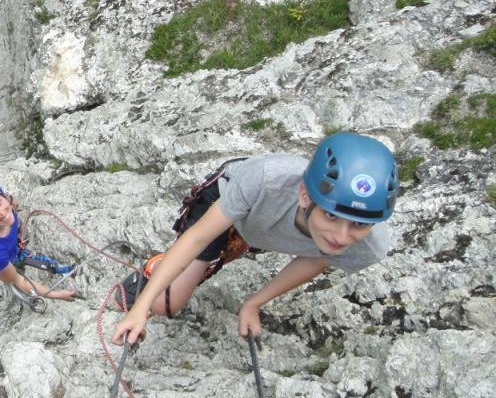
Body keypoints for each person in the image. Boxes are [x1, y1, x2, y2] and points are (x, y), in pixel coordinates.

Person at [113, 132, 398, 345]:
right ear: (304, 196)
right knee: (165, 306)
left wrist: (253, 303)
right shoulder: (264, 180)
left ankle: (237, 242)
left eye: (359, 225)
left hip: (260, 223)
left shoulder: (370, 246)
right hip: (228, 200)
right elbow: (197, 238)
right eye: (331, 216)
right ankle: (158, 267)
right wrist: (139, 309)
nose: (341, 237)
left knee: (256, 234)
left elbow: (315, 259)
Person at [0, 175, 76, 303]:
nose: (2, 213)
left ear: (2, 195)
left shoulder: (6, 203)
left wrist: (12, 202)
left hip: (1, 247)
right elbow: (19, 281)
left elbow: (10, 202)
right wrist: (57, 295)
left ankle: (15, 254)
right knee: (9, 277)